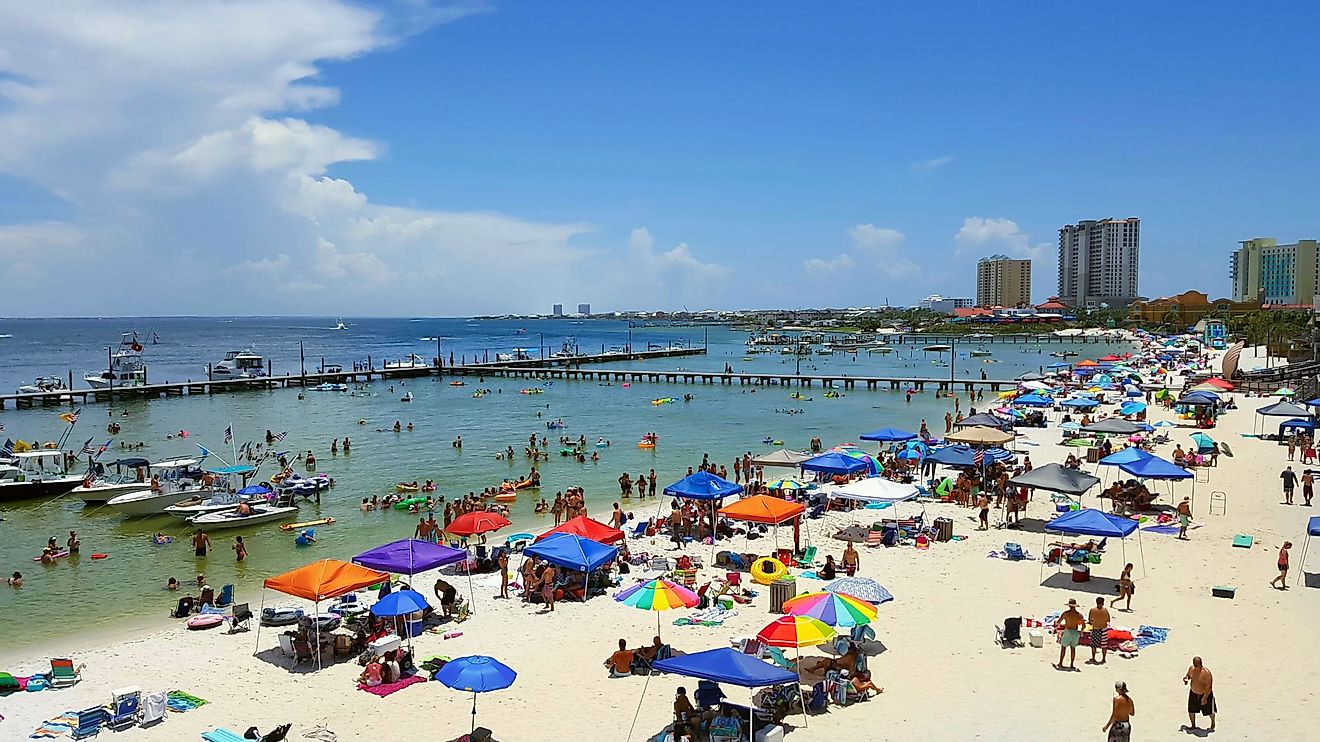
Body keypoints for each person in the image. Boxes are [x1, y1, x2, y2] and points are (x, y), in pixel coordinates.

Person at [1183, 656, 1216, 732]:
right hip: (1193, 693)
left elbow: (1209, 687)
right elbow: (1188, 676)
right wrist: (1186, 679)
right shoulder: (1192, 669)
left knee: (1210, 711)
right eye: (1195, 665)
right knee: (1191, 710)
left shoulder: (1206, 673)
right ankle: (1193, 725)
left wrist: (1205, 698)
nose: (1197, 666)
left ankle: (1213, 722)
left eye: (1198, 665)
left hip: (1205, 694)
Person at [1056, 598, 1084, 670]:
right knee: (1073, 648)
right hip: (1075, 631)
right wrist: (1081, 631)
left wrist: (1057, 626)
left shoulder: (1065, 614)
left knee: (1063, 648)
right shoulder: (1079, 615)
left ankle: (1060, 663)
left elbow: (1058, 622)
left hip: (1068, 631)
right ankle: (1071, 664)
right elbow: (1083, 626)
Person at [1088, 597, 1111, 664]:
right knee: (1104, 645)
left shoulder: (1092, 610)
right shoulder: (1105, 610)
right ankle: (1103, 659)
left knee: (1094, 645)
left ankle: (1093, 658)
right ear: (1103, 603)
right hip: (1103, 629)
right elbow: (1108, 620)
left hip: (1095, 629)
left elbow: (1090, 620)